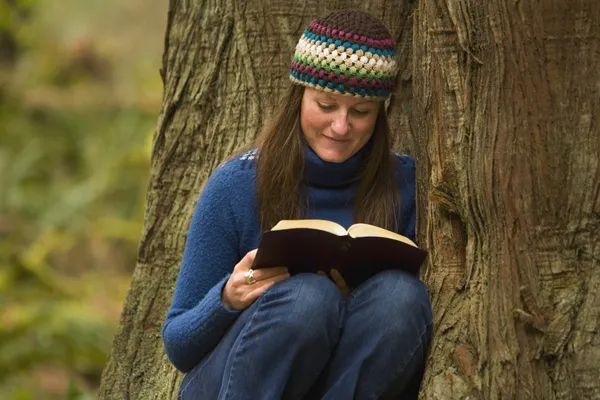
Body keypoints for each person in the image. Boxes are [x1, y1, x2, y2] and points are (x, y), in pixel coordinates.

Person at [162, 9, 433, 400]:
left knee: (401, 296)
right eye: (326, 105)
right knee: (309, 299)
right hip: (237, 382)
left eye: (360, 112)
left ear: (380, 114)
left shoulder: (406, 184)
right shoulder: (237, 184)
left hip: (348, 377)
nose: (341, 127)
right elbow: (178, 344)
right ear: (299, 96)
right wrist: (227, 298)